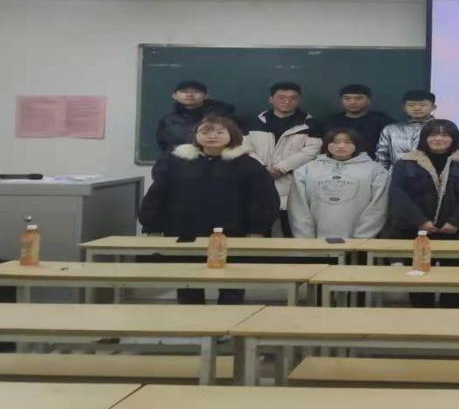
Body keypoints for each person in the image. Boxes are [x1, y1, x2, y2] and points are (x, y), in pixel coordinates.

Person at [138, 116, 278, 305]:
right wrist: (151, 224)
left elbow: (263, 198)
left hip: (233, 234)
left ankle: (229, 321)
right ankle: (192, 321)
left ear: (232, 135)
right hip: (185, 232)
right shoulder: (176, 162)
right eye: (205, 131)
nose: (212, 136)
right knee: (188, 284)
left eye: (219, 132)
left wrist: (257, 229)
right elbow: (158, 193)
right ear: (195, 135)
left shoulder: (248, 164)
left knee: (232, 285)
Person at [383, 119, 459, 308]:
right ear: (425, 137)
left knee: (454, 279)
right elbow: (398, 195)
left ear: (454, 138)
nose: (439, 139)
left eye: (445, 135)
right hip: (417, 231)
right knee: (419, 278)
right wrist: (420, 221)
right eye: (433, 134)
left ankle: (450, 313)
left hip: (457, 231)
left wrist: (455, 221)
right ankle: (421, 313)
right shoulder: (406, 163)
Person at [244, 82, 322, 238]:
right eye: (281, 97)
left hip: (292, 183)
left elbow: (312, 150)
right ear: (271, 99)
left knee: (290, 230)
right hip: (257, 182)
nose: (287, 101)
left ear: (299, 100)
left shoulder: (311, 124)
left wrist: (280, 168)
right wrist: (262, 169)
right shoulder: (254, 121)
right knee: (258, 230)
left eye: (293, 98)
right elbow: (244, 146)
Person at [290, 127, 389, 240]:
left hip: (360, 242)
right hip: (315, 241)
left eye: (348, 142)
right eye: (335, 142)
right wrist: (306, 239)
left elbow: (378, 207)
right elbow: (298, 208)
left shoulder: (375, 171)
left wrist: (362, 238)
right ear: (326, 144)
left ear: (357, 144)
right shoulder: (306, 170)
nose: (341, 146)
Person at [154, 80, 236, 153]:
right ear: (174, 96)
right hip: (178, 161)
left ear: (206, 96)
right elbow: (163, 144)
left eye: (196, 92)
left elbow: (235, 140)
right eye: (184, 91)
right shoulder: (168, 120)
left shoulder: (222, 117)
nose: (189, 95)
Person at [318, 84, 395, 159]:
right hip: (334, 163)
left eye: (358, 98)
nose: (352, 102)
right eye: (347, 98)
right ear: (341, 100)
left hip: (371, 164)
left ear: (368, 101)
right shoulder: (328, 122)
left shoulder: (382, 121)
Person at [376, 90, 437, 170]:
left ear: (433, 107)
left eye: (423, 105)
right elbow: (381, 158)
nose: (417, 108)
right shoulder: (390, 129)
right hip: (397, 174)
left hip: (431, 175)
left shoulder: (442, 129)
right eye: (411, 105)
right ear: (403, 108)